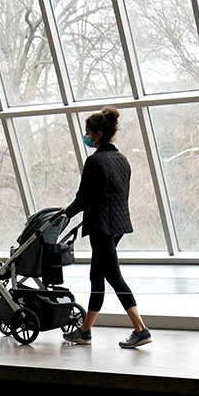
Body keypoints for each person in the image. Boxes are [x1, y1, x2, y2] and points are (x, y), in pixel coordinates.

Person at [63, 108, 151, 348]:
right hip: (118, 224)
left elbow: (83, 198)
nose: (87, 136)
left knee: (113, 276)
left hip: (101, 226)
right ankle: (85, 330)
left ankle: (140, 329)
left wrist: (65, 214)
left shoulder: (94, 162)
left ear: (99, 134)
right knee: (97, 276)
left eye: (89, 133)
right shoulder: (122, 160)